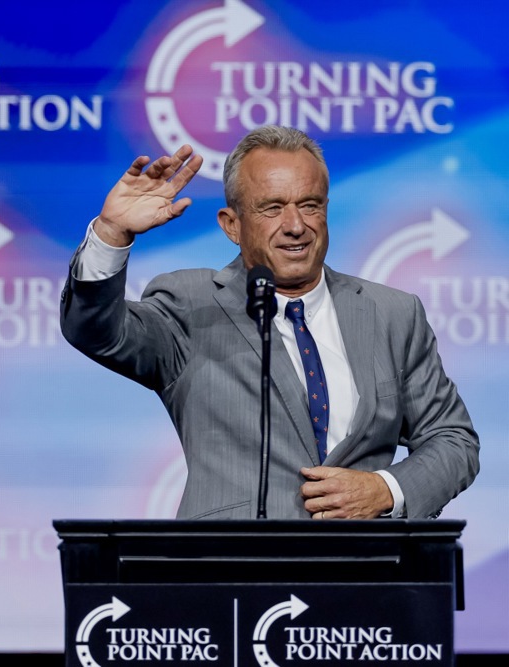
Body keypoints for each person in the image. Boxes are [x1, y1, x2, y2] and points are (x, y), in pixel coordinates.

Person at [60, 125, 479, 521]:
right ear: (232, 225)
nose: (296, 226)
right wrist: (112, 234)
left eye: (309, 205)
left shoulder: (392, 313)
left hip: (368, 575)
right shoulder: (190, 304)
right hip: (232, 578)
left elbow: (453, 440)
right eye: (272, 208)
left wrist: (385, 489)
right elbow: (97, 331)